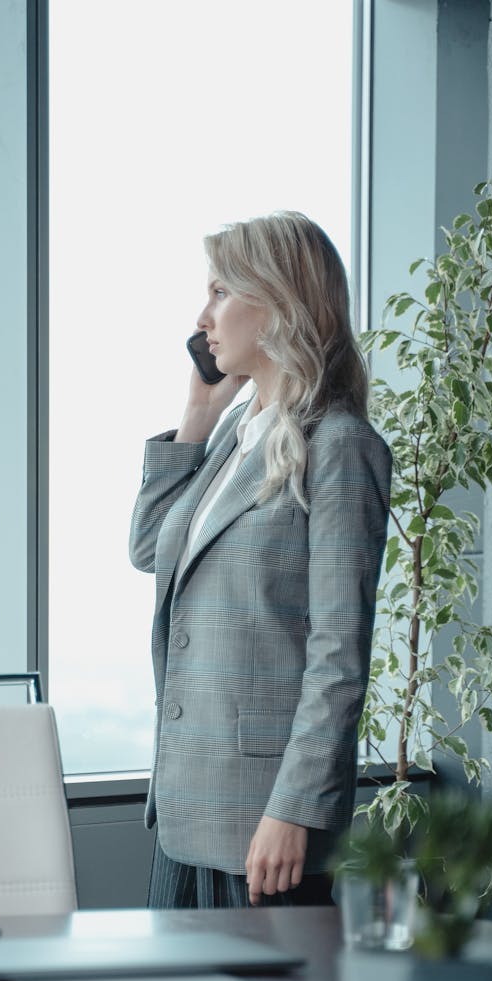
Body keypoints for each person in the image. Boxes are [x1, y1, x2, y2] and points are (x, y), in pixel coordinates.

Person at [129, 211, 391, 908]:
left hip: (266, 829)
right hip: (186, 815)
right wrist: (198, 412)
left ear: (277, 304)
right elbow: (151, 551)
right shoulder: (235, 438)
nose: (201, 316)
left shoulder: (337, 445)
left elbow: (339, 654)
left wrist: (295, 810)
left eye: (220, 292)